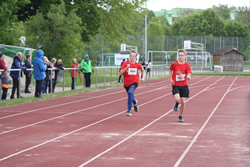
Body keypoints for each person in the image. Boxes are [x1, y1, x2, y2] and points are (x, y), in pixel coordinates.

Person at [119, 49, 144, 116]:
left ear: (136, 57)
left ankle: (129, 110)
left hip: (134, 82)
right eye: (131, 56)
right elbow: (120, 73)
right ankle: (135, 102)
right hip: (126, 83)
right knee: (130, 95)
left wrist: (142, 77)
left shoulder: (137, 65)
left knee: (130, 92)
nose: (132, 57)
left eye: (134, 56)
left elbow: (142, 70)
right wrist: (126, 68)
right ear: (129, 56)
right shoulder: (125, 63)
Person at [169, 49, 192, 122]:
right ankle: (176, 104)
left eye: (182, 55)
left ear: (185, 56)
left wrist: (184, 75)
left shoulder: (187, 65)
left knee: (183, 102)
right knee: (177, 99)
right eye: (179, 55)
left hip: (184, 85)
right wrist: (171, 79)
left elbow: (189, 77)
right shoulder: (174, 64)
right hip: (176, 85)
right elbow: (170, 70)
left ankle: (180, 116)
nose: (180, 57)